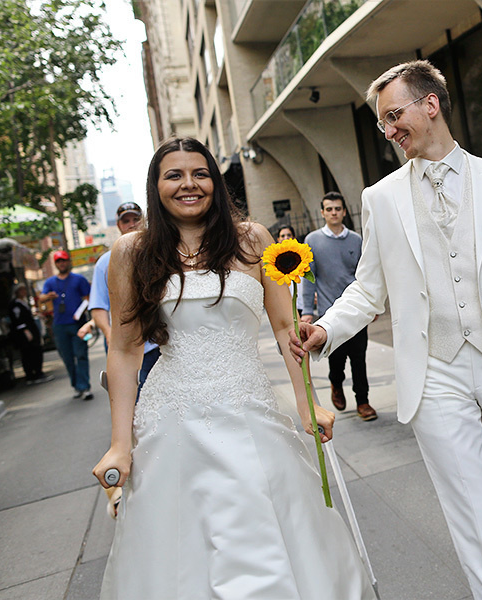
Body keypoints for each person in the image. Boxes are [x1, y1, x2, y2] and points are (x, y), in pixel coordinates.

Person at [290, 60, 482, 600]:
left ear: (429, 104)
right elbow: (369, 289)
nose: (388, 130)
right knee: (469, 506)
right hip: (433, 370)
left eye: (394, 115)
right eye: (382, 121)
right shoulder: (380, 198)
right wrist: (326, 328)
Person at [91, 137, 376, 599]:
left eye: (200, 173)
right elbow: (124, 350)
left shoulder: (253, 239)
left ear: (215, 182)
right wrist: (120, 444)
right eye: (174, 175)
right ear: (156, 186)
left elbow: (286, 328)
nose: (189, 184)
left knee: (268, 529)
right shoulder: (131, 251)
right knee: (183, 548)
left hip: (250, 408)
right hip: (171, 418)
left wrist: (309, 406)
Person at [78, 201, 159, 519]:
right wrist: (114, 340)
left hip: (165, 349)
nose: (130, 224)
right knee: (134, 422)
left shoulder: (159, 251)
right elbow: (98, 307)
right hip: (132, 355)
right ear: (118, 224)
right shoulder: (106, 261)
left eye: (135, 219)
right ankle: (129, 489)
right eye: (125, 220)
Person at [301, 192, 377, 421]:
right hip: (327, 314)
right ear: (323, 212)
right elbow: (309, 277)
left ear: (344, 211)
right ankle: (336, 383)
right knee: (336, 360)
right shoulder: (312, 241)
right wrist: (307, 312)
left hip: (355, 313)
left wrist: (370, 307)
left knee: (359, 359)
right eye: (329, 209)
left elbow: (366, 276)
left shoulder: (356, 240)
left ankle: (363, 401)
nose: (334, 213)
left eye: (337, 208)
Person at [40, 250, 93, 400]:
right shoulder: (50, 282)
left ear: (68, 261)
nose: (61, 263)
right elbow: (42, 298)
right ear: (55, 264)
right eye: (58, 261)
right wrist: (48, 296)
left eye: (63, 260)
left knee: (81, 354)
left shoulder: (79, 279)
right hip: (60, 325)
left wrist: (82, 311)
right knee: (67, 358)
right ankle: (76, 386)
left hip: (78, 324)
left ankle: (85, 387)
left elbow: (88, 298)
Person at [8, 283, 52, 384]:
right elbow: (18, 320)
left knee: (35, 351)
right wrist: (26, 331)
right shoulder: (15, 304)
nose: (24, 292)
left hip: (31, 330)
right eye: (22, 290)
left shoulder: (23, 302)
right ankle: (32, 374)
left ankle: (37, 372)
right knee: (29, 354)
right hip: (25, 334)